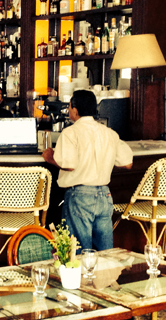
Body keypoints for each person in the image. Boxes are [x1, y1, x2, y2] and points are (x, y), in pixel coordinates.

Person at [42, 90, 133, 251]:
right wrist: (104, 160)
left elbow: (69, 164)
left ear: (75, 109)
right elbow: (127, 164)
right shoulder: (109, 132)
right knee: (105, 252)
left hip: (80, 196)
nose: (69, 110)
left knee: (79, 252)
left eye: (69, 106)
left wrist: (49, 157)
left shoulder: (70, 132)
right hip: (104, 195)